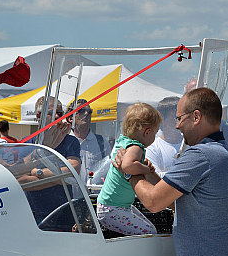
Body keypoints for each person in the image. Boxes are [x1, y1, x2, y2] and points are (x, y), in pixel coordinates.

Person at [116, 88, 228, 256]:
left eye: (180, 118)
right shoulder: (224, 151)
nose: (177, 125)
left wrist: (129, 172)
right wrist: (147, 170)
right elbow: (173, 199)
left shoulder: (200, 155)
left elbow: (154, 202)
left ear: (196, 116)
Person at [97, 103, 161, 236]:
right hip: (112, 209)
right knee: (149, 232)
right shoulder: (136, 147)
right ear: (147, 132)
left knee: (149, 227)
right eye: (155, 133)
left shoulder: (123, 141)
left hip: (110, 206)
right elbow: (127, 166)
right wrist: (145, 170)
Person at [23, 97, 81, 224]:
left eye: (59, 113)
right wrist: (61, 180)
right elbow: (21, 181)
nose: (56, 116)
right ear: (39, 116)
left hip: (64, 212)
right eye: (51, 112)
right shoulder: (27, 143)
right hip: (34, 215)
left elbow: (73, 171)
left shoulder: (70, 141)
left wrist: (38, 173)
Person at [67, 99, 111, 188]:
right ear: (71, 118)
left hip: (94, 197)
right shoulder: (64, 142)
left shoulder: (101, 141)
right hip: (71, 198)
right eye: (81, 111)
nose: (87, 114)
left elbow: (109, 171)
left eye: (89, 111)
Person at [145, 96, 182, 177]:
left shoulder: (192, 143)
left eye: (180, 118)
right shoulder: (152, 148)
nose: (178, 122)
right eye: (174, 118)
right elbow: (155, 177)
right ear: (162, 120)